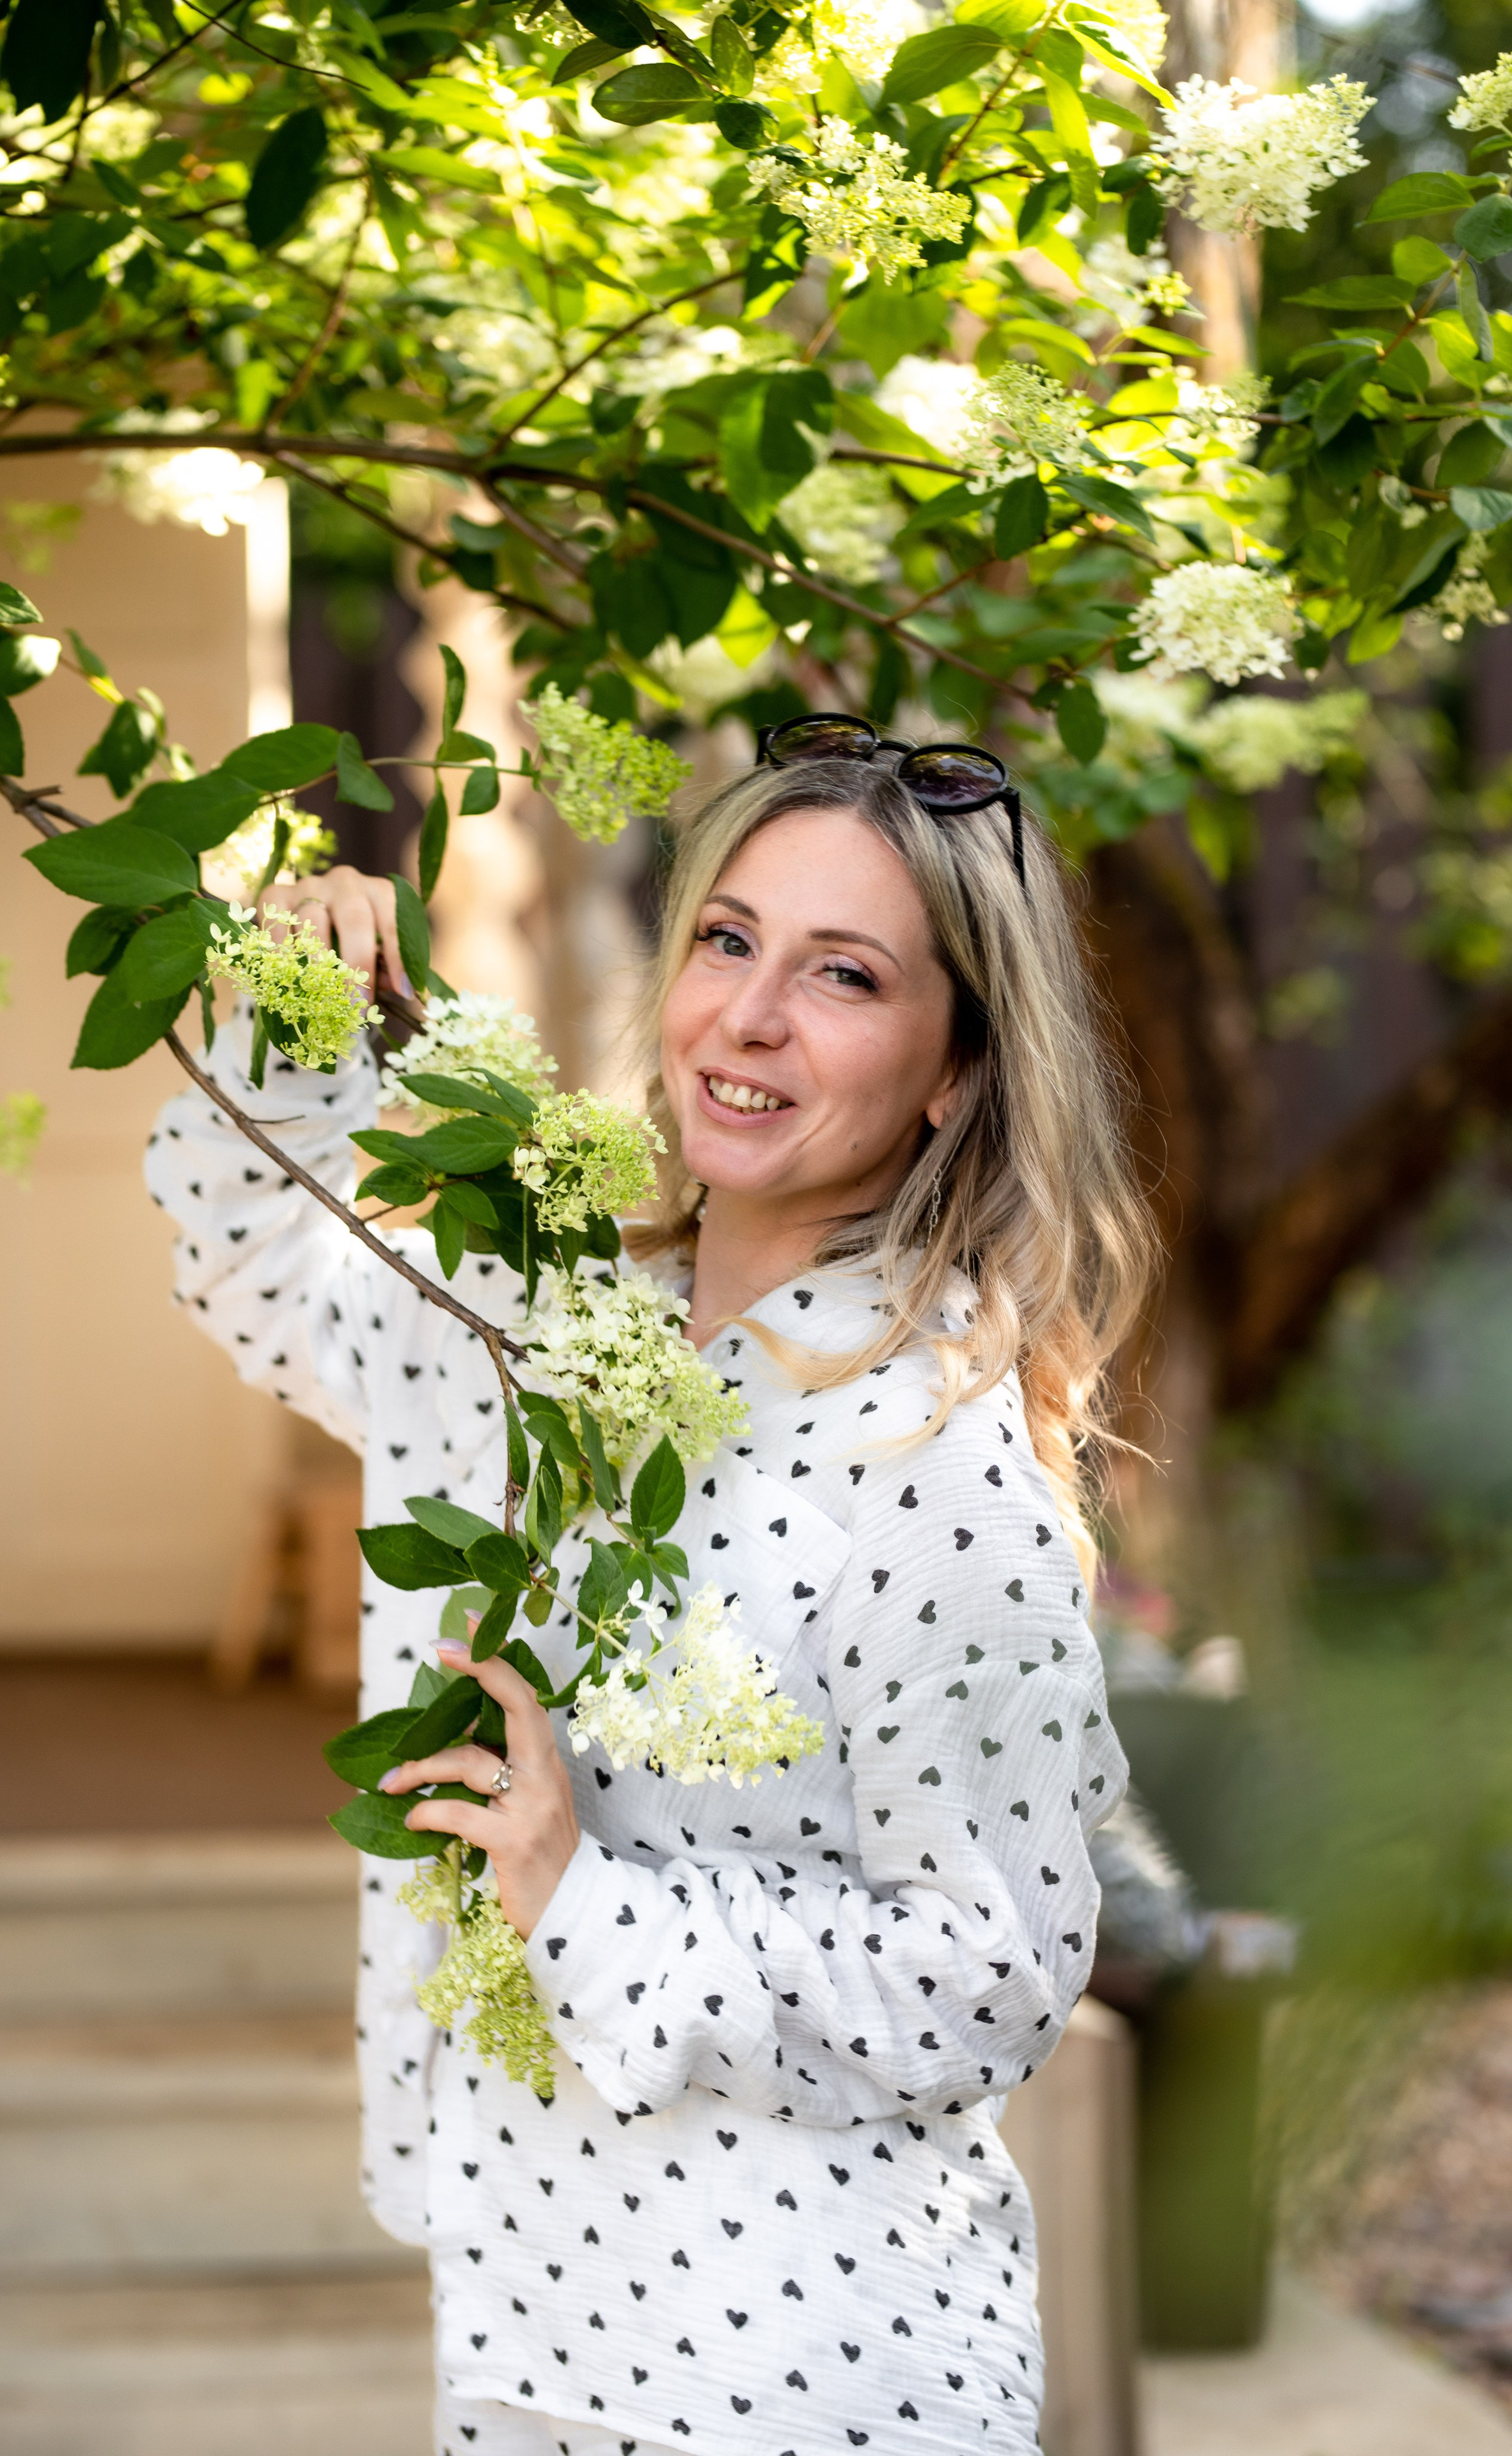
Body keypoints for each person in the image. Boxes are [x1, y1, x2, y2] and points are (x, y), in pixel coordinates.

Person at [145, 720, 1154, 2456]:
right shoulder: (536, 1311)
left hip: (805, 2369)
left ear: (956, 1071)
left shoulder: (931, 1464)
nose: (749, 1018)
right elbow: (262, 1273)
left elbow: (987, 1976)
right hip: (524, 2306)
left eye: (844, 974)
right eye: (727, 939)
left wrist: (581, 1896)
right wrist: (295, 1008)